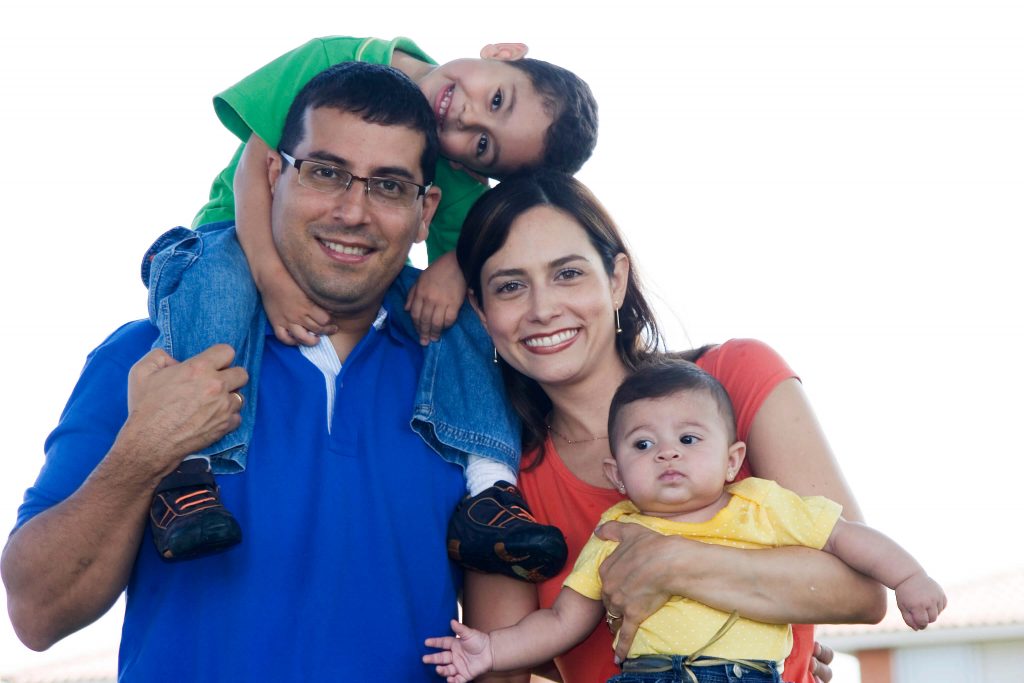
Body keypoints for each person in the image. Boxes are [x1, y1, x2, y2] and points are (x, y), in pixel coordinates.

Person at [2, 62, 511, 681]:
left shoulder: (466, 381)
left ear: (426, 210)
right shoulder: (153, 355)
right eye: (325, 172)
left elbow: (502, 650)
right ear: (273, 175)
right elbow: (38, 614)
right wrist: (146, 449)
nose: (353, 211)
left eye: (389, 185)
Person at [146, 36, 597, 566]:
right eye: (496, 99)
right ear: (503, 52)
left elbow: (490, 246)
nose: (468, 117)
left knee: (461, 315)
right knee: (218, 278)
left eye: (481, 146)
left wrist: (454, 267)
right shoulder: (333, 58)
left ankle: (490, 487)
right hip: (232, 234)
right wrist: (272, 280)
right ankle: (187, 473)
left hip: (350, 277)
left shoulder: (451, 173)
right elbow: (256, 170)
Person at [452, 170, 890, 683]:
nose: (543, 309)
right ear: (482, 311)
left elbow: (863, 589)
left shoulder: (737, 378)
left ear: (616, 280)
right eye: (510, 286)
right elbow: (501, 667)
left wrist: (673, 564)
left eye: (568, 273)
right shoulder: (504, 484)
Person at [424, 360, 946, 683]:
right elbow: (563, 622)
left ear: (732, 460)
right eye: (643, 444)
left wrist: (909, 577)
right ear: (617, 474)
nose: (667, 453)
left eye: (689, 439)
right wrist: (491, 649)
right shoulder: (615, 531)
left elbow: (845, 537)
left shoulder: (761, 505)